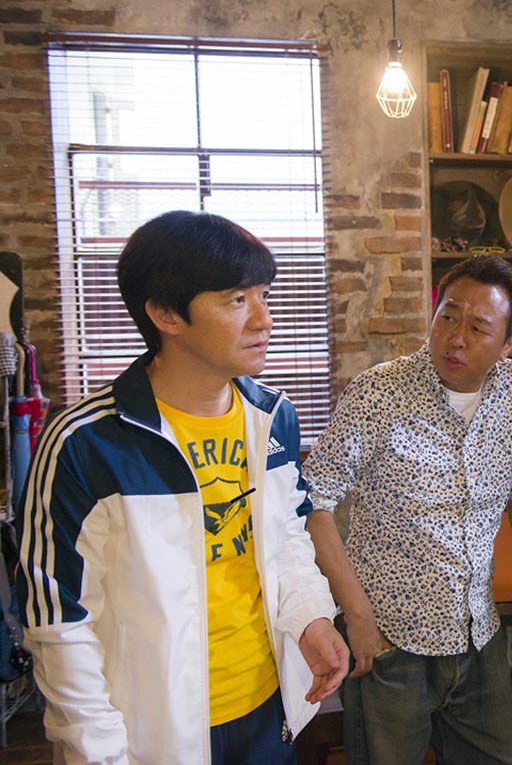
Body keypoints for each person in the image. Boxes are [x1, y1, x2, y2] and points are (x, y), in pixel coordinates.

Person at [15, 210, 349, 765]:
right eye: (236, 300)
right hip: (153, 732)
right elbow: (58, 622)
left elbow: (287, 538)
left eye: (263, 295)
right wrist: (99, 753)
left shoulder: (273, 417)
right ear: (165, 313)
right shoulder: (87, 443)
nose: (264, 319)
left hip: (269, 710)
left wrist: (310, 616)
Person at [303, 254, 512, 765]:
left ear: (509, 343)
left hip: (477, 632)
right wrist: (357, 616)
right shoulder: (378, 392)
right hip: (390, 641)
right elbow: (312, 502)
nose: (455, 338)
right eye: (448, 317)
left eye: (478, 327)